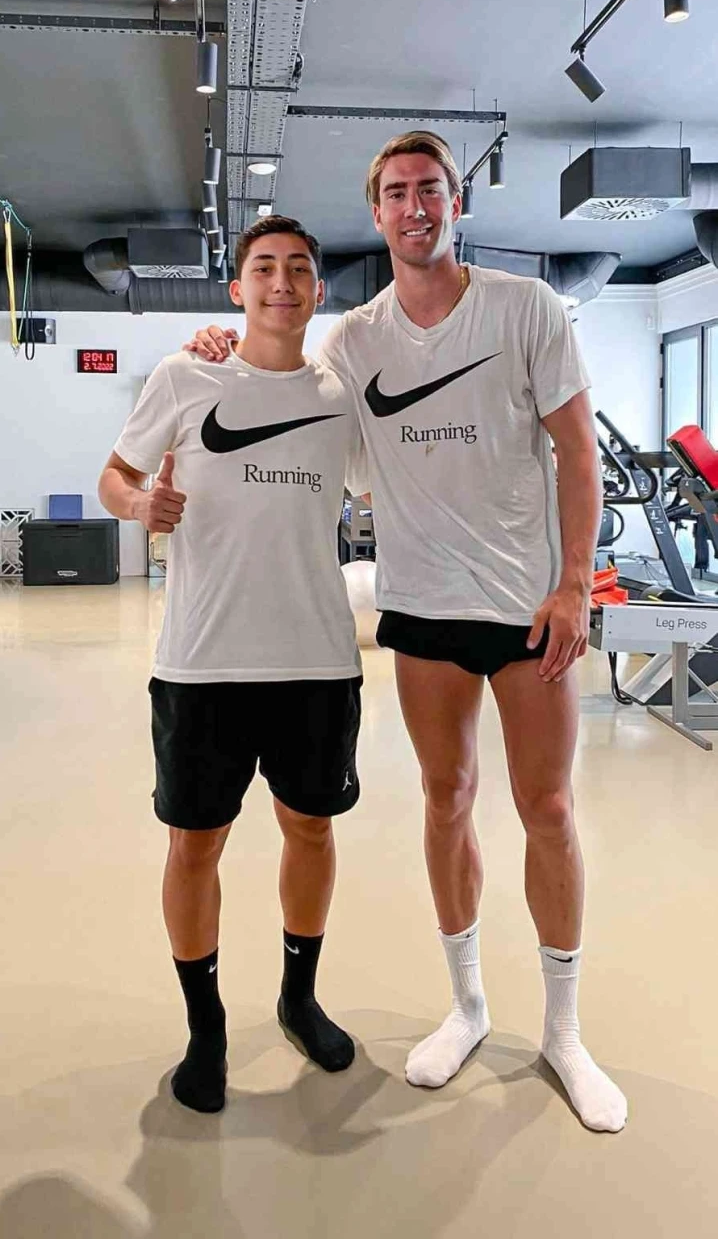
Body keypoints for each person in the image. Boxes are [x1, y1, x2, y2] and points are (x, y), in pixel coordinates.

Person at [183, 132, 627, 1134]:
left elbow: (576, 452)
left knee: (549, 806)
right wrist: (214, 351)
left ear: (456, 202)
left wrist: (573, 586)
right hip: (423, 607)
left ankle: (563, 1030)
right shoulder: (356, 340)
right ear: (376, 211)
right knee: (445, 799)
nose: (414, 206)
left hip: (525, 605)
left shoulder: (526, 308)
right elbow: (279, 384)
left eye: (430, 189)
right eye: (396, 193)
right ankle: (467, 1006)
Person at [99, 216, 369, 1114]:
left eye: (298, 269)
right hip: (202, 662)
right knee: (195, 843)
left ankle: (298, 998)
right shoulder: (185, 375)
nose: (281, 283)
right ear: (237, 288)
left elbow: (392, 477)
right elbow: (114, 475)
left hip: (316, 661)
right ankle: (205, 1027)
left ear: (318, 289)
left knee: (311, 830)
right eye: (263, 268)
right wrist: (140, 504)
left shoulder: (342, 394)